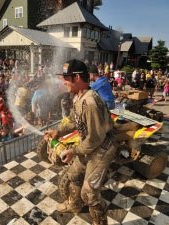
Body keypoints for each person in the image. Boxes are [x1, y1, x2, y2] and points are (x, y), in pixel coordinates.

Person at [45, 59, 117, 225]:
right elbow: (73, 120)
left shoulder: (90, 102)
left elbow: (96, 138)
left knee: (89, 193)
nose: (64, 82)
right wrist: (58, 131)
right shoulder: (78, 96)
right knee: (73, 175)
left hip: (102, 148)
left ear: (77, 78)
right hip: (89, 145)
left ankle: (100, 222)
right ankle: (75, 205)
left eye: (66, 77)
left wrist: (73, 151)